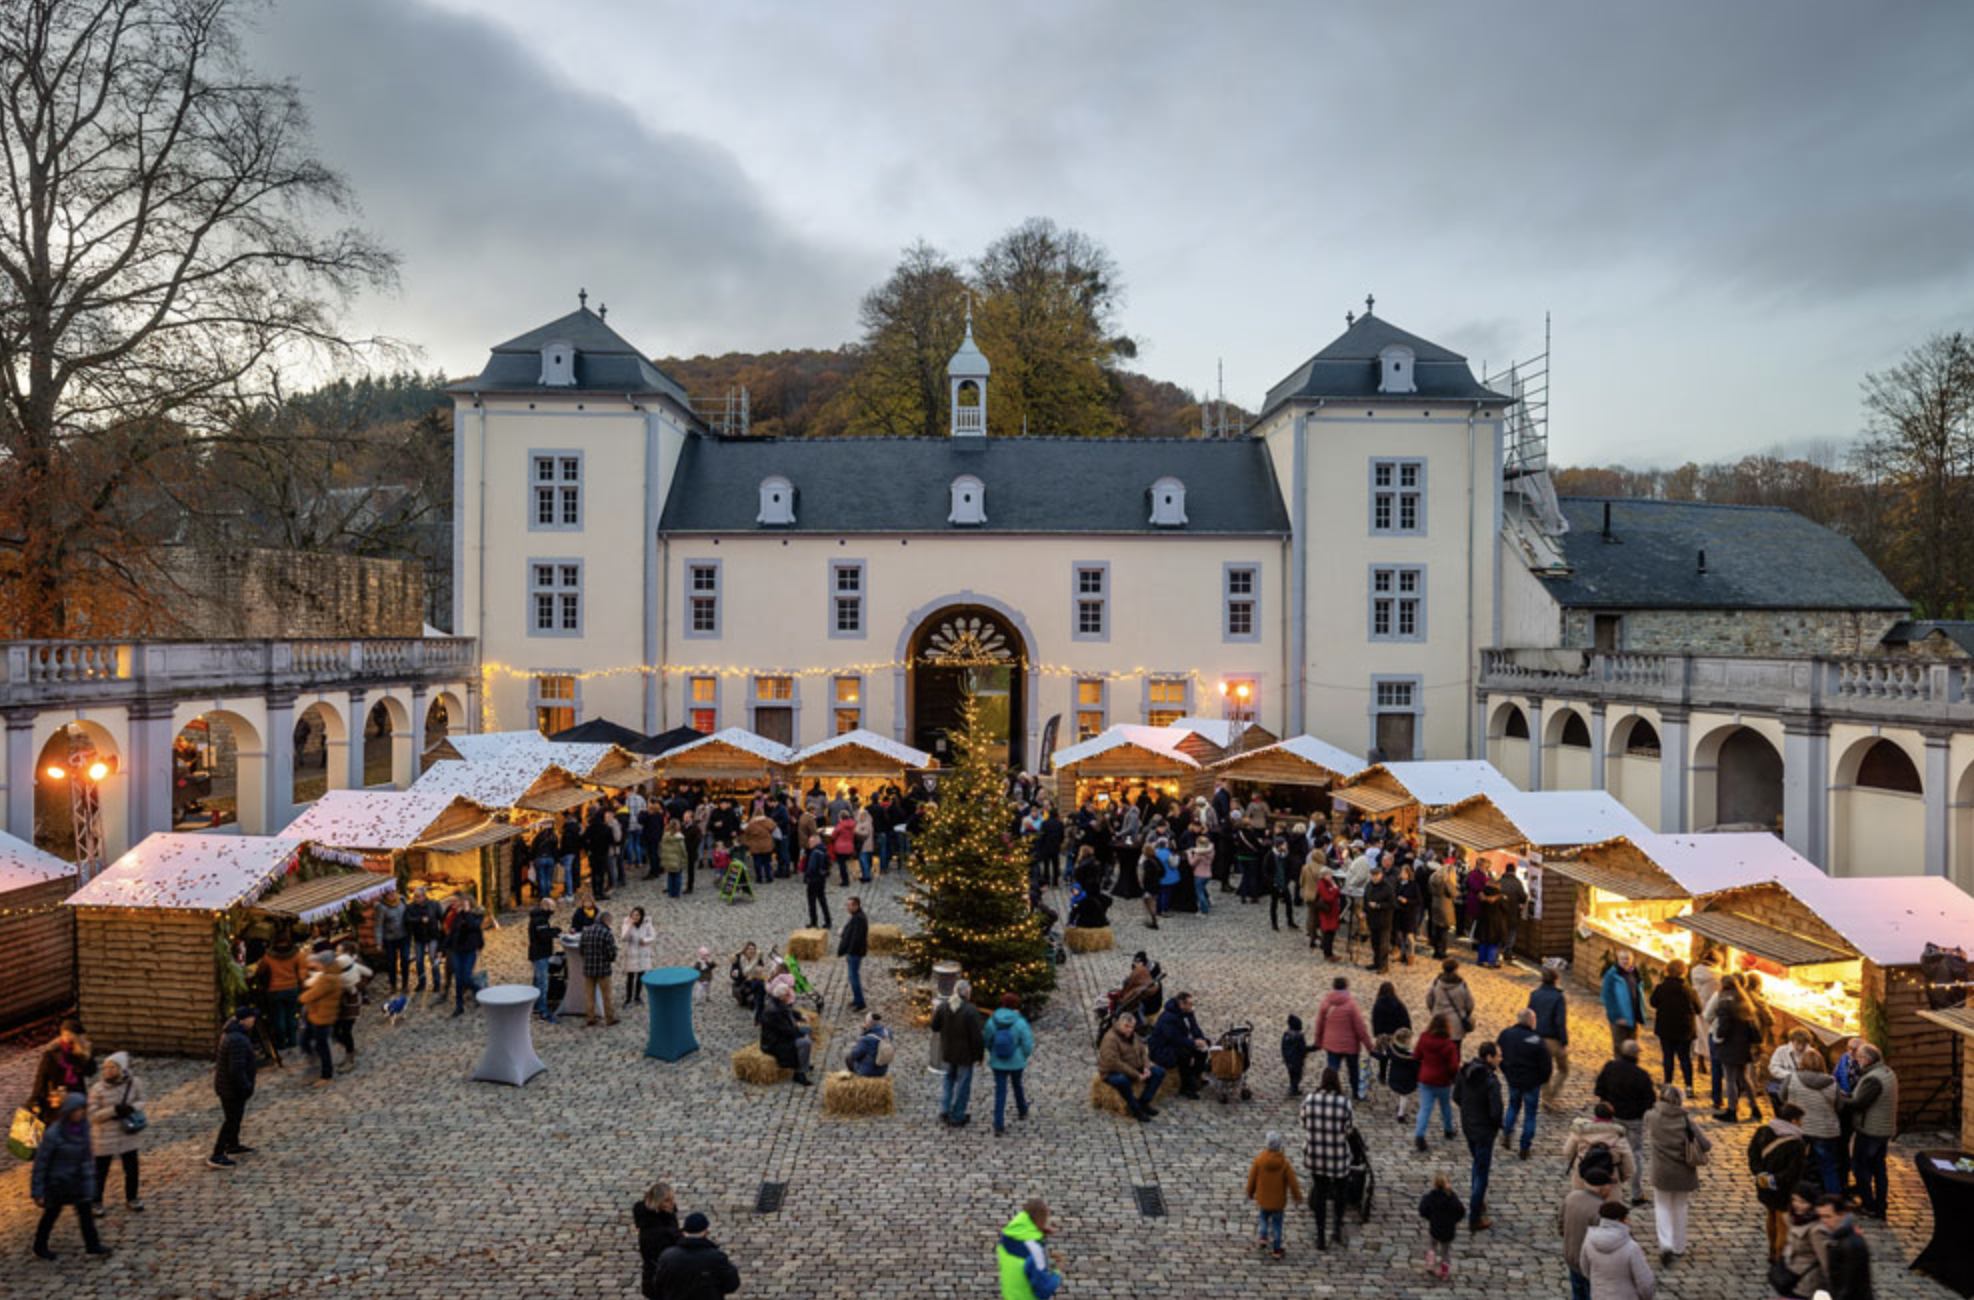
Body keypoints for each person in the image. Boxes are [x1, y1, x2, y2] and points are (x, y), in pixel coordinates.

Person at [30, 1092, 110, 1260]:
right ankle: (39, 1245)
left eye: (82, 1110)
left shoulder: (83, 1129)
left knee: (86, 1215)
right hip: (57, 1183)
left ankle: (92, 1245)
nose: (79, 1114)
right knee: (50, 1215)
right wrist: (38, 1191)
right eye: (76, 1110)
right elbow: (41, 1163)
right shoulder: (54, 1134)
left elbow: (87, 1158)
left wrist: (89, 1181)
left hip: (77, 1182)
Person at [1643, 1084, 1710, 1266]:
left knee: (1662, 1207)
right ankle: (1679, 1247)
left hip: (1661, 1171)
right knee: (1680, 1207)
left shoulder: (1651, 1117)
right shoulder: (1685, 1119)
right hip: (1683, 1171)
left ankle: (1666, 1244)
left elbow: (1646, 1121)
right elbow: (1706, 1144)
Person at [1301, 1066, 1357, 1250]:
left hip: (1316, 1155)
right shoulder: (1344, 1102)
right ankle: (1337, 1228)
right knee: (1340, 1192)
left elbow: (1303, 1122)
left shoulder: (1310, 1099)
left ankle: (1320, 1235)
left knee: (1320, 1191)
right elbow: (1349, 1130)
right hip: (1338, 1156)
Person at [1594, 1039, 1655, 1204]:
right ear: (1636, 1055)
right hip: (1634, 1120)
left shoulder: (1610, 1067)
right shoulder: (1641, 1075)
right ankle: (1636, 1194)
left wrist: (1607, 1102)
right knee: (1635, 1155)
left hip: (1613, 1118)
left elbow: (1599, 1089)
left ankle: (1612, 1191)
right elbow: (1650, 1101)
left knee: (1612, 1153)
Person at [1840, 1044, 1896, 1219]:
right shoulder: (1886, 1072)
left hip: (1871, 1130)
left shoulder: (1873, 1079)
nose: (1857, 1061)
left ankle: (1869, 1205)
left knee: (1861, 1167)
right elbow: (1861, 1097)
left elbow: (1859, 1103)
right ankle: (1880, 1207)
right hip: (1882, 1129)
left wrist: (1839, 1098)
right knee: (1879, 1170)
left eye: (1859, 1058)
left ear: (1867, 1059)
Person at [1749, 1102, 1811, 1261]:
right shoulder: (1796, 1143)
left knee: (1770, 1214)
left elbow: (1752, 1154)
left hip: (1763, 1184)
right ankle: (1778, 1256)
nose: (1802, 1123)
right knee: (1783, 1221)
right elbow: (1794, 1171)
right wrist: (1775, 1180)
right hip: (1784, 1187)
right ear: (1793, 1121)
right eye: (1800, 1120)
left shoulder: (1763, 1131)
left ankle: (1771, 1249)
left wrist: (1761, 1174)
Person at [85, 1052, 145, 1214]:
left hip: (128, 1132)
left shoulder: (134, 1083)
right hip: (105, 1135)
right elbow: (93, 1115)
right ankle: (96, 1201)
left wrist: (132, 1108)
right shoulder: (97, 1089)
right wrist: (113, 1111)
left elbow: (142, 1101)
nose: (108, 1070)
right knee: (100, 1171)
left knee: (132, 1168)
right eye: (106, 1067)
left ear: (121, 1068)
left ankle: (132, 1198)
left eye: (112, 1067)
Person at [1455, 1041, 1503, 1233]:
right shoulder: (1491, 1081)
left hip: (1469, 1127)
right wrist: (1495, 1126)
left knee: (1477, 1163)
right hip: (1484, 1132)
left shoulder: (1464, 1072)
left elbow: (1456, 1097)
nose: (1501, 1058)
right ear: (1488, 1057)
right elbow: (1496, 1111)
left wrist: (1469, 1112)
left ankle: (1479, 1199)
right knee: (1482, 1172)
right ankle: (1475, 1218)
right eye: (1498, 1055)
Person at [1497, 1007, 1554, 1159]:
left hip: (1513, 1080)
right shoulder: (1537, 1040)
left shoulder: (1506, 1035)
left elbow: (1499, 1056)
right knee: (1530, 1115)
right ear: (1531, 1021)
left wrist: (1506, 1072)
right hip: (1531, 1083)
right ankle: (1525, 1147)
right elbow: (1546, 1065)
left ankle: (1507, 1132)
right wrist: (1541, 1080)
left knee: (1513, 1106)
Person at [1784, 1053, 1844, 1194]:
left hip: (1798, 1128)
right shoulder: (1832, 1082)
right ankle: (1833, 1203)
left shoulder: (1792, 1078)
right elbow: (1839, 1106)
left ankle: (1793, 1197)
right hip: (1825, 1130)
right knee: (1828, 1168)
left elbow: (1782, 1096)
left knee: (1794, 1164)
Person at [210, 1004, 259, 1168]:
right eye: (253, 1018)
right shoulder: (237, 1038)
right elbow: (236, 1068)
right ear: (245, 1020)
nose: (255, 1020)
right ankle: (217, 1154)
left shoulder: (235, 1033)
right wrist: (245, 1086)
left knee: (235, 1118)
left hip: (228, 1086)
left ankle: (233, 1144)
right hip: (232, 1088)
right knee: (231, 1120)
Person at [981, 993, 1038, 1136]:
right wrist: (1023, 1057)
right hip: (1016, 1062)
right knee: (1017, 1084)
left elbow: (987, 1039)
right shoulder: (1020, 1022)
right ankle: (1022, 1109)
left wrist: (992, 1051)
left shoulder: (992, 1021)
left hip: (998, 1062)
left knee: (1000, 1091)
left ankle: (998, 1124)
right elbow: (1027, 1044)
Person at [652, 1211, 741, 1299]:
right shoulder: (716, 1258)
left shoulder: (667, 1257)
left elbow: (659, 1286)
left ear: (684, 1232)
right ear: (706, 1231)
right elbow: (732, 1284)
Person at [1561, 1166, 1619, 1300]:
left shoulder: (1571, 1197)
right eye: (1610, 1185)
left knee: (1577, 1293)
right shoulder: (1602, 1210)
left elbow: (1561, 1226)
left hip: (1572, 1259)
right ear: (1603, 1187)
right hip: (1591, 1266)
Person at [1313, 977, 1375, 1101]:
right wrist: (1369, 1047)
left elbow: (1319, 1023)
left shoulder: (1326, 1003)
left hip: (1332, 1044)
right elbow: (1360, 1027)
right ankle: (1356, 1092)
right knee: (1353, 1070)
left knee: (1332, 1069)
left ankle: (1329, 1091)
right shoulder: (1351, 1005)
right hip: (1350, 1046)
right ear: (1346, 987)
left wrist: (1317, 1042)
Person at [932, 979, 984, 1125]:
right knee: (963, 1085)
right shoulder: (971, 1010)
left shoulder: (943, 1006)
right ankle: (957, 1116)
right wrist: (979, 1055)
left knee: (948, 1081)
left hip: (948, 1051)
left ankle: (945, 1109)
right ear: (967, 993)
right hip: (965, 1056)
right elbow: (977, 1037)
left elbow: (935, 1026)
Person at [1245, 1129, 1303, 1260]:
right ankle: (1277, 1250)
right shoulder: (1284, 1164)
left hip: (1263, 1199)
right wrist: (1297, 1196)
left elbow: (1252, 1178)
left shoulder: (1259, 1160)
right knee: (1277, 1225)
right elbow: (1293, 1182)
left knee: (1263, 1218)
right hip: (1278, 1202)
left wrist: (1250, 1191)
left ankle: (1263, 1236)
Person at [1580, 1201, 1655, 1300]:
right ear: (1621, 1220)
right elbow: (1645, 1282)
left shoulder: (1589, 1240)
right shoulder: (1631, 1247)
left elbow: (1585, 1268)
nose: (1629, 1221)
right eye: (1627, 1218)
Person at [1098, 1012, 1164, 1122]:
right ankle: (1135, 1109)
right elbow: (1115, 1063)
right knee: (1122, 1081)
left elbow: (1143, 1052)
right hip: (1112, 1072)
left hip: (1134, 1067)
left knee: (1159, 1072)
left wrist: (1146, 1067)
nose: (1130, 1029)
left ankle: (1143, 1103)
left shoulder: (1134, 1036)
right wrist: (1137, 1074)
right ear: (1119, 1025)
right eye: (1126, 1026)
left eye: (1132, 1027)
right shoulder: (1110, 1039)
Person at [28, 1019, 97, 1122]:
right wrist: (35, 1098)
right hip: (56, 1096)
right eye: (64, 1034)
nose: (66, 1037)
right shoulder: (52, 1053)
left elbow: (91, 1072)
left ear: (77, 1036)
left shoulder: (80, 1052)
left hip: (76, 1095)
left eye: (70, 1034)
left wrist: (85, 1055)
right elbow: (42, 1077)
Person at [1648, 959, 1701, 1093]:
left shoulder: (1661, 988)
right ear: (1684, 972)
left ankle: (1668, 1083)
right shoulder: (1689, 991)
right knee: (1685, 1058)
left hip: (1666, 1027)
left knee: (1668, 1056)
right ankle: (1689, 1086)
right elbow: (1699, 1009)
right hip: (1685, 1029)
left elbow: (1653, 1003)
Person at [1148, 991, 1211, 1100]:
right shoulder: (1168, 1017)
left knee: (1203, 1049)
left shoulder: (1187, 1012)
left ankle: (1195, 1076)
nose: (1192, 1007)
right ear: (1182, 1004)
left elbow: (1195, 1029)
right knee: (1184, 1054)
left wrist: (1202, 1039)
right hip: (1163, 1049)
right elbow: (1173, 1038)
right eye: (1190, 1004)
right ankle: (1185, 1087)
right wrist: (1193, 1043)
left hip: (1178, 1043)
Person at [996, 1199, 1064, 1300]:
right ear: (1042, 1219)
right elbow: (1044, 1291)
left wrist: (1039, 1233)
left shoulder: (1006, 1237)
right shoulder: (1035, 1251)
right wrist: (1057, 1271)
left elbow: (1022, 1245)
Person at [1563, 1102, 1638, 1193]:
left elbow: (1567, 1152)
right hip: (1609, 1178)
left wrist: (1578, 1162)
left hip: (1582, 1177)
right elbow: (1629, 1164)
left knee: (1583, 1203)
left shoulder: (1580, 1132)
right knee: (1608, 1206)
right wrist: (1621, 1177)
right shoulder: (1618, 1135)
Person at [1413, 1013, 1461, 1151]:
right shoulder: (1449, 1045)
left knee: (1425, 1109)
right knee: (1445, 1106)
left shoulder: (1423, 1037)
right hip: (1443, 1081)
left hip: (1426, 1079)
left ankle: (1419, 1135)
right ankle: (1448, 1130)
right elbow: (1453, 1066)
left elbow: (1416, 1055)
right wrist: (1453, 1077)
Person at [1814, 1193, 1873, 1300]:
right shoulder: (1836, 1236)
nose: (1824, 1221)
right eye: (1821, 1216)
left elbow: (1851, 1286)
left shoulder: (1851, 1244)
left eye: (1828, 1216)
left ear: (1841, 1215)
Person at [1530, 966, 1572, 1112]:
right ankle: (1550, 1097)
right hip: (1553, 1039)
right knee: (1563, 1069)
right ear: (1556, 979)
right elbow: (1560, 1021)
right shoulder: (1558, 997)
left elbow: (1530, 1016)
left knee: (1544, 1070)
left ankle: (1546, 1097)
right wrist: (1564, 1041)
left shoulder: (1534, 994)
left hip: (1538, 1038)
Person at [632, 1181, 679, 1300]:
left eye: (672, 1199)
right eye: (667, 1201)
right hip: (659, 1280)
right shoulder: (654, 1232)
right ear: (657, 1203)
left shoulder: (665, 1215)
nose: (672, 1204)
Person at [298, 951, 340, 1083]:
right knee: (307, 1040)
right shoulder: (329, 975)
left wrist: (303, 997)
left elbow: (309, 996)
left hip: (322, 1017)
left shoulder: (327, 979)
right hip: (317, 1015)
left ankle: (326, 1075)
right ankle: (317, 1065)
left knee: (321, 1045)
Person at [759, 985, 814, 1086]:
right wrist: (801, 1035)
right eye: (787, 994)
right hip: (776, 1043)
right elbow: (787, 1031)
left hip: (783, 1036)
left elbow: (789, 1011)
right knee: (805, 1042)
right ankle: (799, 1073)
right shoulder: (774, 1011)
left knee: (808, 1030)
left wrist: (800, 1015)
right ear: (781, 996)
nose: (790, 996)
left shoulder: (778, 1003)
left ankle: (804, 1063)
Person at [1778, 1186, 1827, 1299]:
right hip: (1792, 1278)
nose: (1797, 1204)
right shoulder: (1794, 1219)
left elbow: (1825, 1258)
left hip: (1807, 1283)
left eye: (1802, 1202)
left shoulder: (1816, 1229)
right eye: (1794, 1199)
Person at [1418, 1169, 1464, 1282]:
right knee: (1445, 1253)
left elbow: (1422, 1209)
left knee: (1432, 1246)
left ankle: (1430, 1264)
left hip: (1435, 1228)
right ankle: (1444, 1273)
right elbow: (1461, 1211)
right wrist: (1453, 1220)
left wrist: (1430, 1217)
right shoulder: (1452, 1198)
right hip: (1448, 1230)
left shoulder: (1430, 1197)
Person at [579, 909, 620, 1028]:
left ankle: (590, 1018)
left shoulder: (586, 931)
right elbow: (611, 952)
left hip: (588, 969)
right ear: (606, 921)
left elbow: (581, 949)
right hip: (603, 970)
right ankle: (609, 1019)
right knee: (606, 995)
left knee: (589, 995)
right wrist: (610, 959)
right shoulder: (606, 933)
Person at [1601, 951, 1644, 1058]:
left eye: (1627, 959)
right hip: (1619, 1018)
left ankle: (1631, 1069)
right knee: (1619, 1046)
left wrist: (1640, 1014)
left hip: (1634, 1017)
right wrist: (1616, 1016)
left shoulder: (1635, 973)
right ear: (1618, 960)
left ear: (1632, 960)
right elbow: (1607, 998)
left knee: (1632, 1046)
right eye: (1623, 959)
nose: (1625, 961)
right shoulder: (1612, 975)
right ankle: (1619, 1069)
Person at [447, 900, 486, 1017]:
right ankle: (459, 1006)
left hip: (469, 951)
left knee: (466, 977)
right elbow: (453, 933)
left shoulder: (478, 916)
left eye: (464, 904)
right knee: (458, 979)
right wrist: (442, 948)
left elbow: (472, 926)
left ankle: (479, 991)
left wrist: (468, 912)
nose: (461, 906)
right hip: (457, 951)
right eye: (461, 904)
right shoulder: (458, 916)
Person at [1426, 958, 1476, 1046]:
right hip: (1456, 1024)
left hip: (1438, 1021)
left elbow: (1429, 1000)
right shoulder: (1462, 985)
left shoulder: (1436, 982)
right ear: (1456, 969)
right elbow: (1470, 1004)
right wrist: (1465, 1013)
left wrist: (1434, 1010)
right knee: (1455, 1050)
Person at [1371, 980, 1410, 1086]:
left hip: (1384, 1036)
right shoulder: (1399, 1005)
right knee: (1396, 1057)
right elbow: (1406, 1021)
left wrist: (1376, 1033)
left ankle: (1382, 1076)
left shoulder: (1378, 1004)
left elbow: (1375, 1020)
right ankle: (1394, 1077)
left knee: (1383, 1058)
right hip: (1397, 1036)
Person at [527, 896, 561, 1022]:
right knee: (542, 983)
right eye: (552, 907)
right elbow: (543, 936)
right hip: (540, 954)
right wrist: (555, 932)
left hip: (538, 954)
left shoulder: (538, 918)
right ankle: (543, 1010)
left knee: (537, 981)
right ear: (546, 907)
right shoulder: (540, 920)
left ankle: (535, 1005)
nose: (553, 910)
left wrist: (552, 931)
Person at [373, 889, 411, 992]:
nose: (393, 896)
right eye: (390, 895)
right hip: (390, 939)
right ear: (385, 896)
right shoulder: (381, 907)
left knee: (405, 959)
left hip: (404, 936)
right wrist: (379, 942)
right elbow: (378, 926)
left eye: (394, 893)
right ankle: (393, 984)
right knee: (391, 962)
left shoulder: (402, 900)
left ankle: (405, 984)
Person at [619, 907, 656, 1007]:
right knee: (630, 976)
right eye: (634, 915)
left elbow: (653, 936)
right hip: (632, 953)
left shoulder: (647, 923)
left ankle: (637, 996)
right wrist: (630, 926)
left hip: (643, 952)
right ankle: (628, 998)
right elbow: (624, 938)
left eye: (637, 915)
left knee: (641, 975)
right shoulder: (627, 923)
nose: (635, 917)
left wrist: (645, 940)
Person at [839, 895, 869, 1011]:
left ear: (856, 905)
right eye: (847, 905)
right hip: (854, 952)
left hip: (854, 953)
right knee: (853, 977)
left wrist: (843, 935)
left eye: (850, 905)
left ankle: (860, 1002)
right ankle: (857, 999)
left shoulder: (858, 919)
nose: (848, 907)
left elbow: (856, 938)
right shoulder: (856, 917)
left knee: (853, 977)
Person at [1388, 1027, 1420, 1124]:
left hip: (1394, 1077)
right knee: (1404, 1096)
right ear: (1406, 1040)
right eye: (1410, 1038)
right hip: (1406, 1080)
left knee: (1401, 1095)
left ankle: (1399, 1108)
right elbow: (1416, 1068)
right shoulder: (1410, 1056)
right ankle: (1400, 1115)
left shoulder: (1393, 1049)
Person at [845, 1012, 893, 1078]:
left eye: (865, 1022)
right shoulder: (888, 1033)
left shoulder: (867, 1040)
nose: (864, 1023)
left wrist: (863, 1034)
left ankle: (856, 1078)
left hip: (867, 1072)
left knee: (848, 1058)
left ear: (869, 1023)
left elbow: (855, 1054)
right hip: (882, 1070)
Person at [802, 834, 832, 929]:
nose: (809, 844)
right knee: (822, 900)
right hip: (821, 879)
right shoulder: (824, 850)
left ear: (815, 842)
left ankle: (814, 921)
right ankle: (828, 920)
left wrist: (807, 876)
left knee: (812, 902)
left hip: (814, 879)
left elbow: (811, 867)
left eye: (810, 842)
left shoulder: (815, 853)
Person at [1281, 1015, 1310, 1097]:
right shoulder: (1299, 1036)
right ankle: (1294, 1088)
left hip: (1289, 1059)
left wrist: (1285, 1056)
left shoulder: (1286, 1035)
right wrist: (1312, 1048)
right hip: (1297, 1060)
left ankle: (1293, 1087)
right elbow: (1303, 1048)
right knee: (1298, 1075)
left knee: (1292, 1073)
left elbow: (1283, 1047)